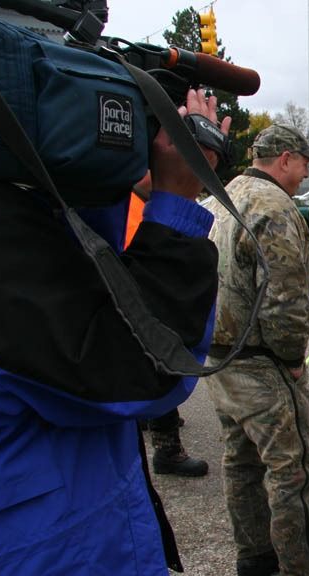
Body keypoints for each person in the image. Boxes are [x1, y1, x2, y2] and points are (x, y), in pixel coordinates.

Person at [0, 87, 230, 576]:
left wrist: (107, 177)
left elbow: (84, 285)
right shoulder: (0, 227)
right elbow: (143, 363)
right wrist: (176, 200)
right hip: (49, 566)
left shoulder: (17, 210)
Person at [205, 123, 309, 576]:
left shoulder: (221, 196)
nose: (304, 175)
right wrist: (292, 356)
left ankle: (254, 553)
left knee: (239, 458)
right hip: (262, 364)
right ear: (284, 159)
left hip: (220, 358)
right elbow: (286, 296)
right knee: (290, 470)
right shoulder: (273, 207)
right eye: (303, 164)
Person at [128, 174, 209, 477]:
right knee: (161, 364)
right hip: (141, 306)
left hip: (133, 301)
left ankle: (150, 419)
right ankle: (168, 450)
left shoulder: (129, 202)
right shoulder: (134, 206)